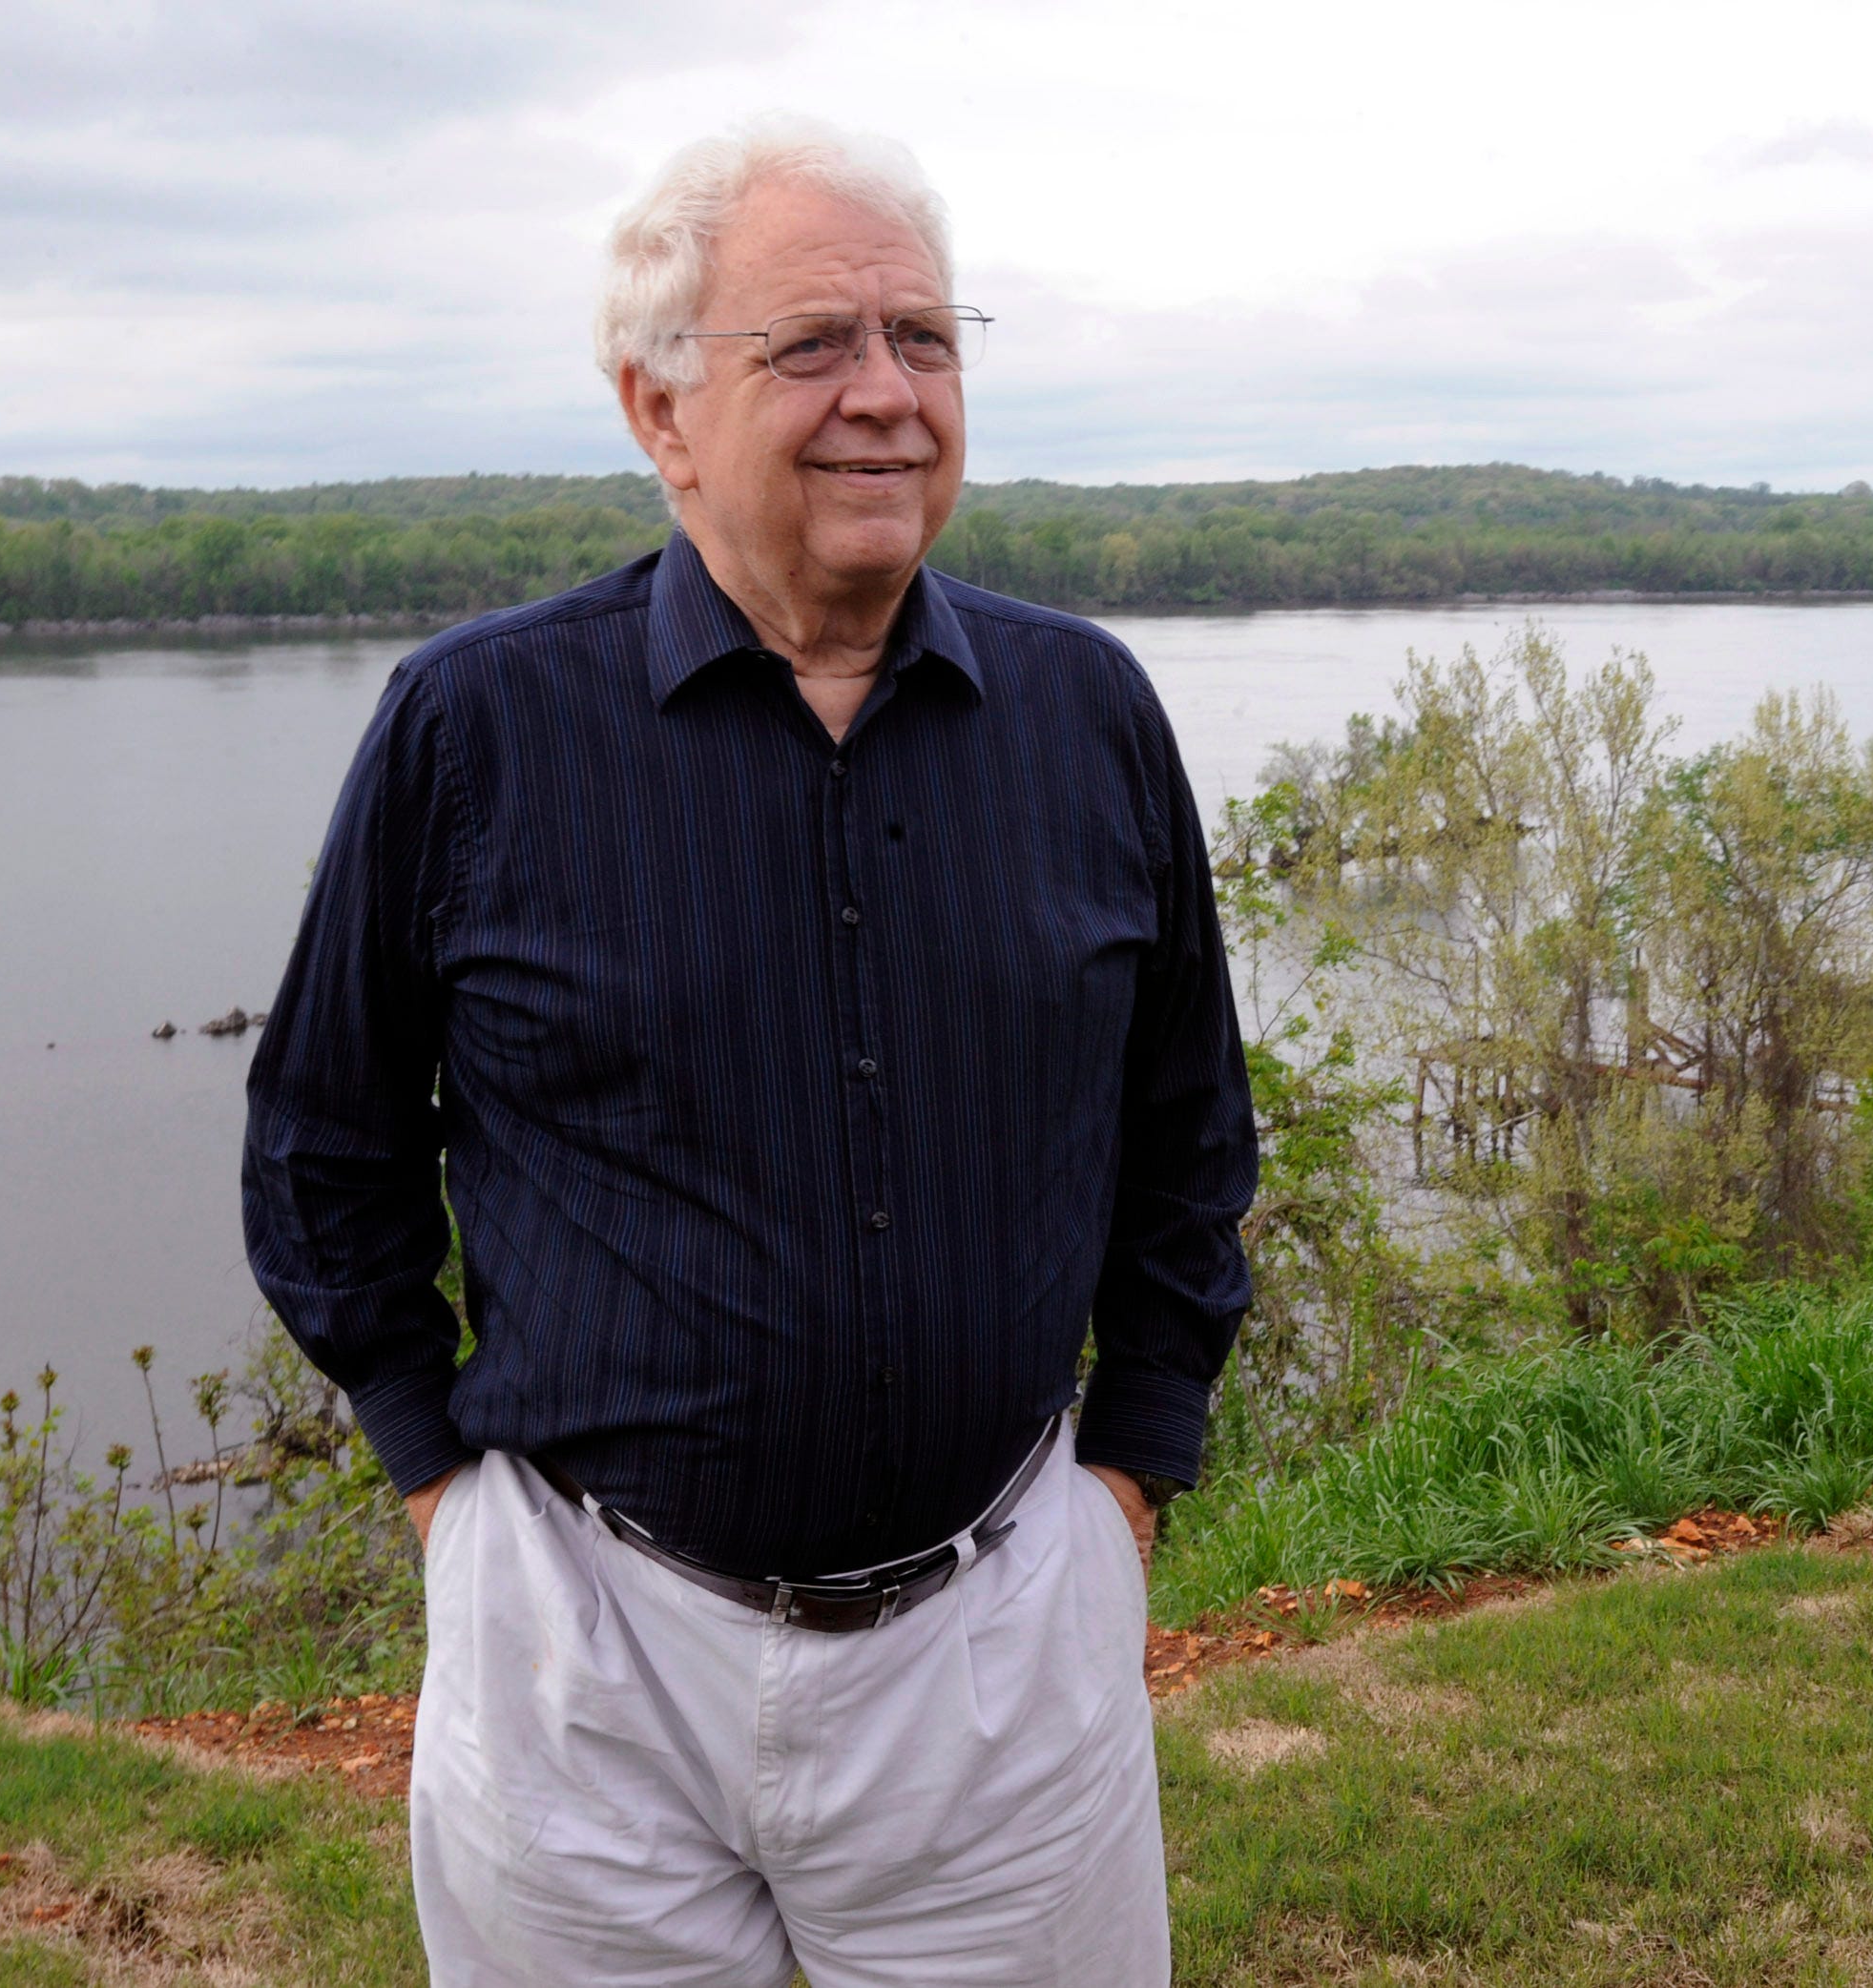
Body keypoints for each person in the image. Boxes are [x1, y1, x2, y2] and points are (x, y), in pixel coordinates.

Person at [241, 115, 1256, 1987]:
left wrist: (1126, 1481)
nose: (886, 393)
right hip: (586, 1665)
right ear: (658, 411)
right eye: (813, 346)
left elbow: (1189, 1137)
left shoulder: (1087, 714)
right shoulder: (473, 731)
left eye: (926, 339)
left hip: (999, 1645)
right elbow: (324, 1146)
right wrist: (443, 1493)